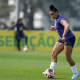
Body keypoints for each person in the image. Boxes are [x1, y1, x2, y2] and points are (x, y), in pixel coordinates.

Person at [43, 4, 79, 79]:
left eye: (52, 14)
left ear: (56, 12)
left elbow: (67, 26)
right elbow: (59, 26)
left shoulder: (60, 19)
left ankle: (75, 73)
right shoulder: (57, 19)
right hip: (63, 38)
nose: (52, 16)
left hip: (68, 38)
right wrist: (54, 27)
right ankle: (51, 71)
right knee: (53, 54)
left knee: (68, 58)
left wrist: (63, 36)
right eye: (50, 15)